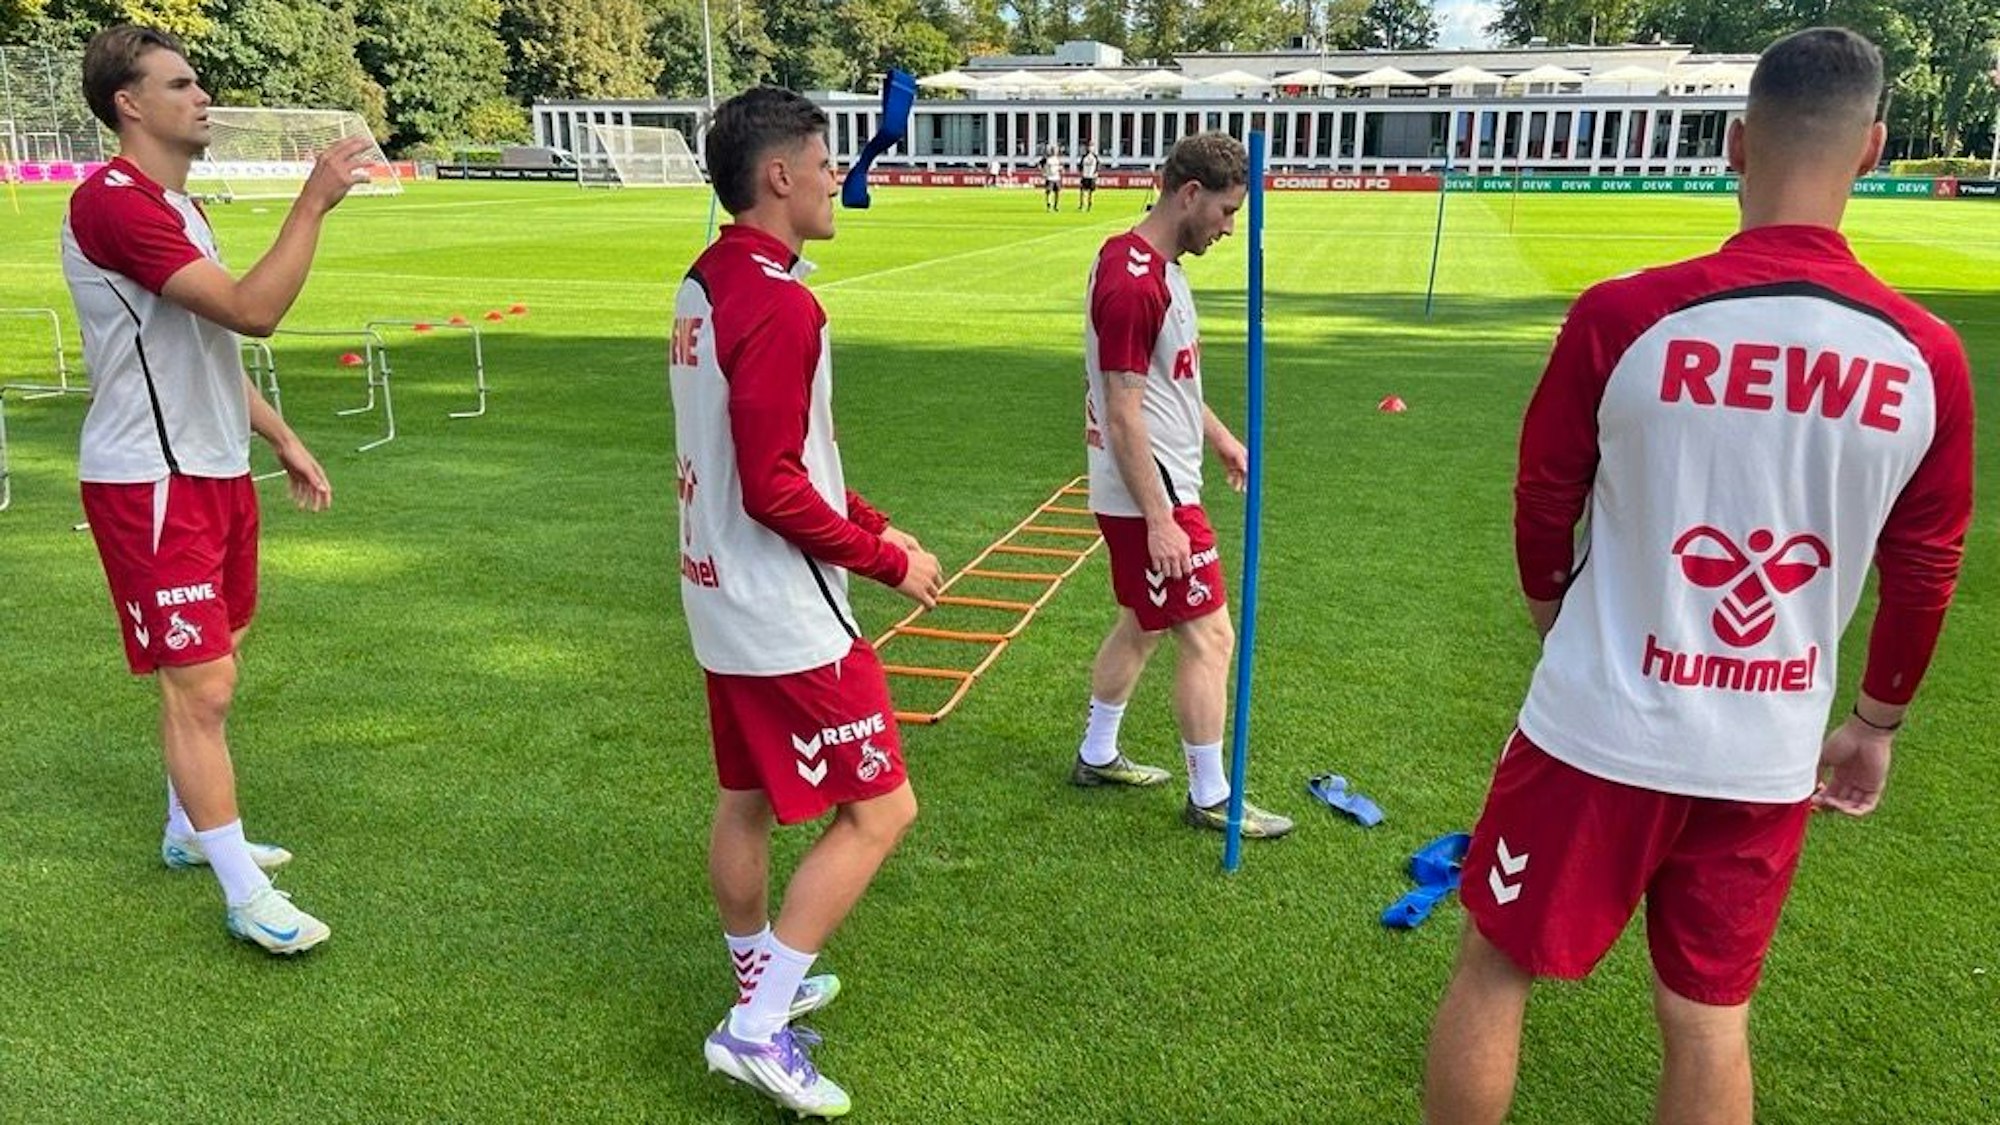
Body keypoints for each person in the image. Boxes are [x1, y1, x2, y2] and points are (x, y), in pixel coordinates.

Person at [1423, 27, 1974, 1125]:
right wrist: (1876, 721)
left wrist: (1554, 613)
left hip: (1596, 723)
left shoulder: (1625, 315)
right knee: (1708, 1018)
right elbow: (1925, 568)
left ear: (1733, 143)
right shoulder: (1925, 357)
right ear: (1872, 149)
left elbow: (1543, 497)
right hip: (1766, 747)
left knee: (1496, 963)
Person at [63, 25, 371, 955]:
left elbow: (208, 346)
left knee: (220, 655)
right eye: (182, 83)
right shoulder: (111, 203)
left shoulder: (179, 208)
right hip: (149, 480)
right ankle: (245, 894)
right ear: (129, 103)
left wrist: (281, 436)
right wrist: (313, 202)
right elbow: (253, 311)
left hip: (214, 470)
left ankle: (186, 827)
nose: (203, 98)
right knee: (201, 683)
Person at [671, 87, 944, 1119]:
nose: (840, 178)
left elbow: (789, 456)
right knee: (880, 810)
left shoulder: (710, 278)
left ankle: (759, 980)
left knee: (745, 795)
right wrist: (883, 562)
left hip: (716, 589)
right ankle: (754, 1026)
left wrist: (878, 522)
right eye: (827, 162)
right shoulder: (780, 304)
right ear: (778, 175)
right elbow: (773, 485)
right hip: (780, 606)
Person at [1068, 132, 1294, 840]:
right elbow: (1123, 406)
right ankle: (1212, 796)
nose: (1229, 229)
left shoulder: (1153, 266)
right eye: (1226, 212)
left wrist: (1221, 437)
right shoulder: (1132, 282)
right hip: (1153, 494)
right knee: (1211, 638)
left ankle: (1096, 753)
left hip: (1154, 484)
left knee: (1144, 623)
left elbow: (1170, 384)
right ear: (1190, 194)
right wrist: (1162, 519)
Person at [1042, 144, 1062, 211]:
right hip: (1050, 178)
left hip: (1057, 178)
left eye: (1056, 150)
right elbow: (1043, 167)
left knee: (1057, 192)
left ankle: (1056, 206)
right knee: (1049, 192)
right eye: (1054, 150)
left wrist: (1060, 168)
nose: (1055, 151)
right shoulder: (1048, 159)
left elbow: (1060, 167)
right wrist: (1044, 173)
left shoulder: (1058, 159)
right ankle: (1049, 205)